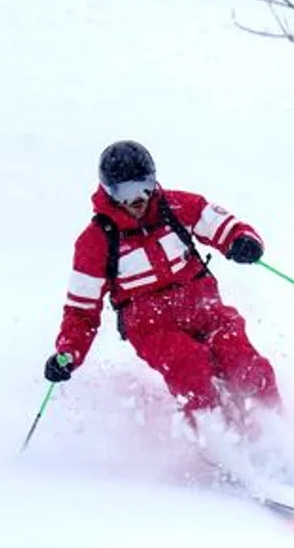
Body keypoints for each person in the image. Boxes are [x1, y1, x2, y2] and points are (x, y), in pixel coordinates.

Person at [42, 140, 281, 427]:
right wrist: (68, 352)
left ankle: (275, 433)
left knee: (245, 362)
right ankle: (219, 448)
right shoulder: (96, 241)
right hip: (152, 327)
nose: (137, 198)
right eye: (125, 191)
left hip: (204, 308)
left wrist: (242, 241)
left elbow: (223, 225)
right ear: (108, 191)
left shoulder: (177, 206)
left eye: (144, 186)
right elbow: (81, 312)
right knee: (192, 367)